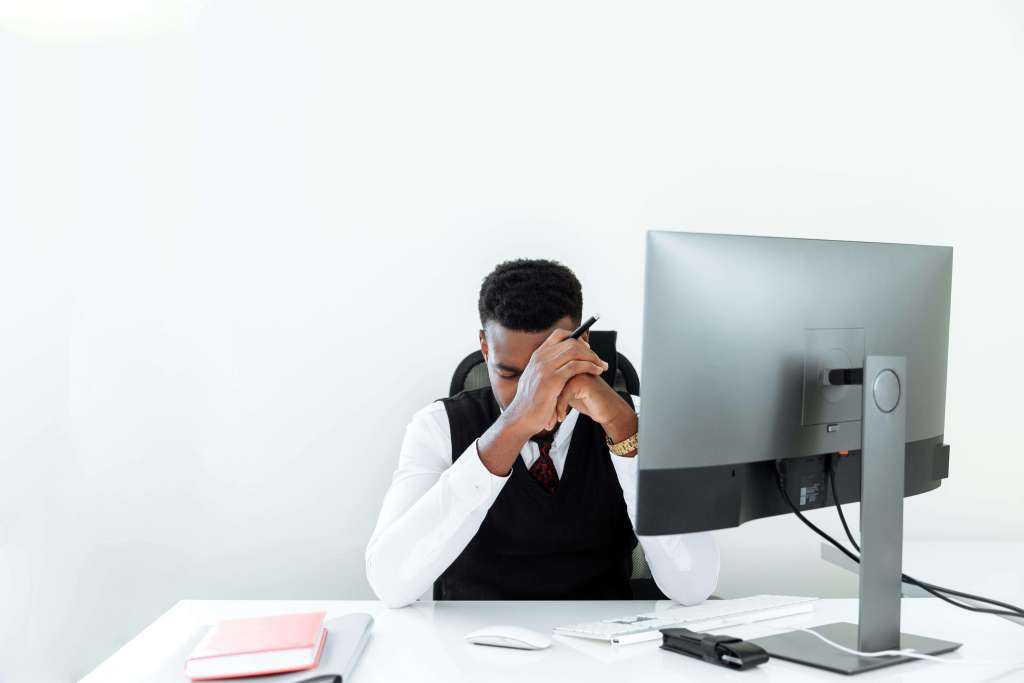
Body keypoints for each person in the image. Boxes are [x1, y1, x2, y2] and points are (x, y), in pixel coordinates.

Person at [365, 259, 719, 607]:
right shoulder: (438, 427)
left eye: (547, 372)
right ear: (485, 348)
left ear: (583, 345)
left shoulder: (638, 419)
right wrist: (513, 425)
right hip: (470, 646)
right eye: (510, 375)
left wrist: (625, 432)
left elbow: (693, 586)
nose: (532, 392)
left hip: (605, 645)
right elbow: (390, 584)